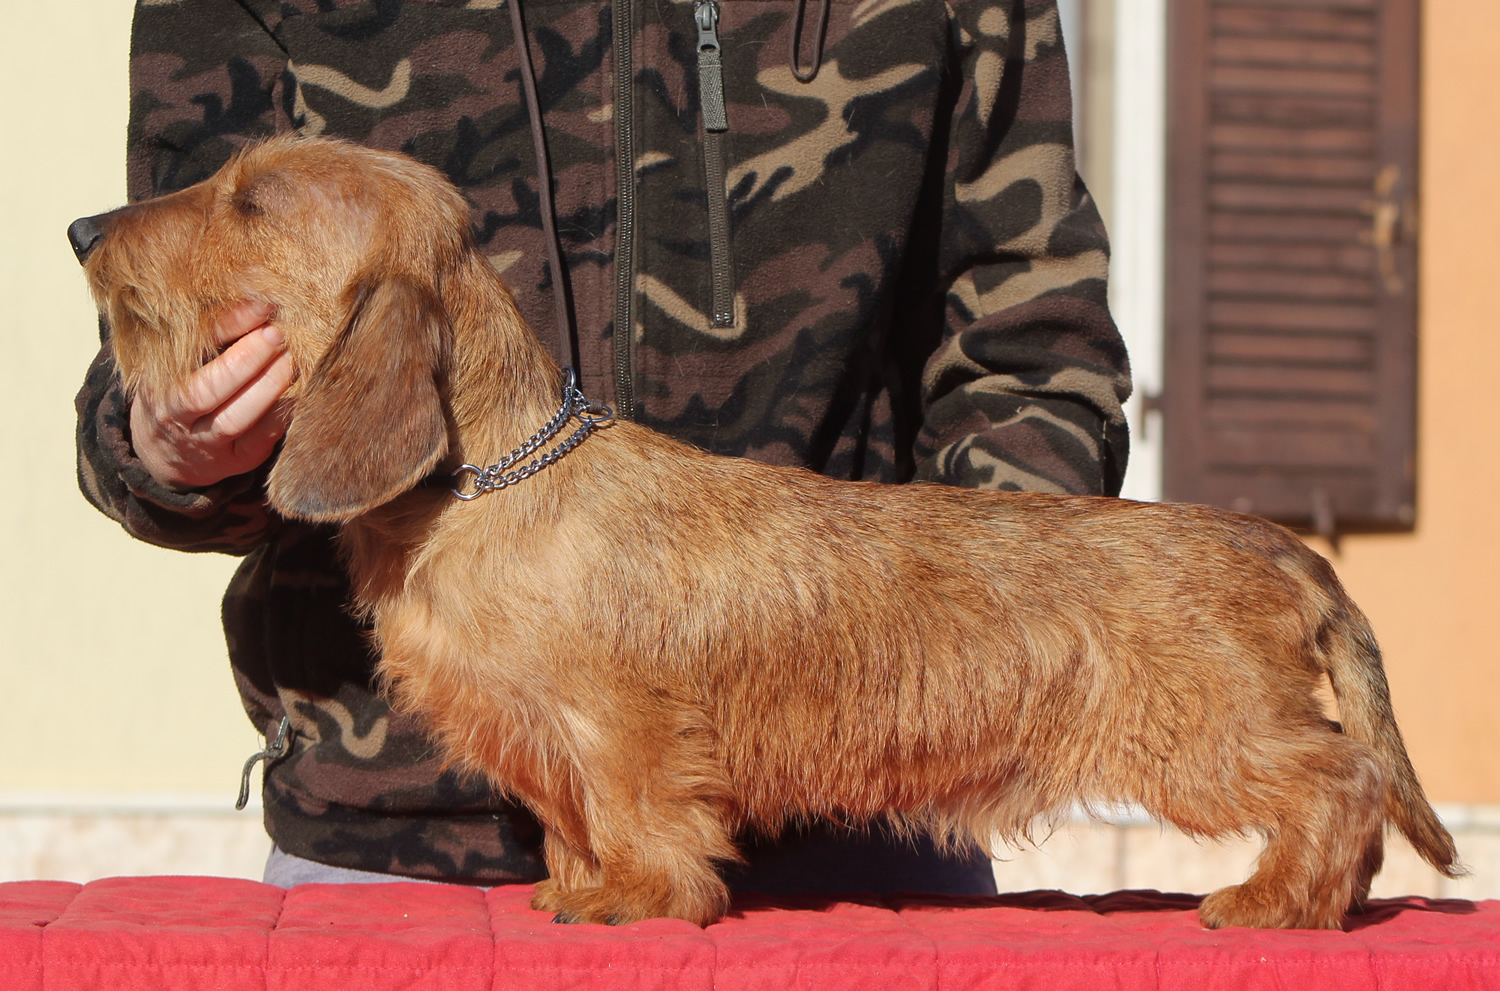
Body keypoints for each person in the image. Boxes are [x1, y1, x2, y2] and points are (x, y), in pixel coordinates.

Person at [76, 0, 1131, 894]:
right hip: (394, 843)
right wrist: (164, 450)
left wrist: (977, 673)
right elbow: (154, 317)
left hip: (860, 824)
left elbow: (1031, 348)